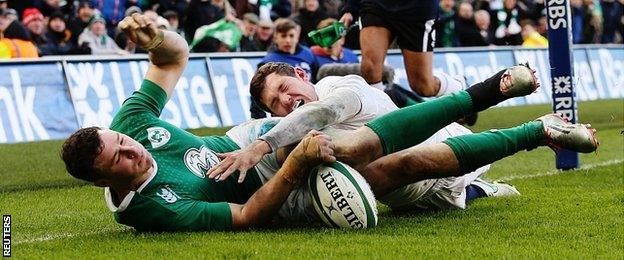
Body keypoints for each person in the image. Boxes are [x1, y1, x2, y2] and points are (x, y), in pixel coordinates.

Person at [61, 14, 599, 232]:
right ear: (107, 181)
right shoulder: (151, 211)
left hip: (260, 147)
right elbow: (247, 214)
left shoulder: (129, 123)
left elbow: (172, 58)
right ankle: (538, 132)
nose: (135, 150)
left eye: (124, 141)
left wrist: (158, 39)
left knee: (353, 143)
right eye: (123, 160)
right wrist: (293, 161)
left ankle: (490, 92)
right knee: (398, 168)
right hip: (279, 194)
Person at [209, 62, 528, 211]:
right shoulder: (292, 134)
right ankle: (481, 190)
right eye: (274, 103)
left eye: (283, 88)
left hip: (439, 146)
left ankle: (525, 129)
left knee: (455, 175)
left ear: (302, 75)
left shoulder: (339, 87)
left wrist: (259, 146)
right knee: (445, 204)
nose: (285, 101)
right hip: (402, 196)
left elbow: (324, 113)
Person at [340, 0, 467, 99]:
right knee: (370, 69)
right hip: (376, 6)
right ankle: (377, 119)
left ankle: (458, 86)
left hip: (416, 9)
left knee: (422, 86)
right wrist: (350, 7)